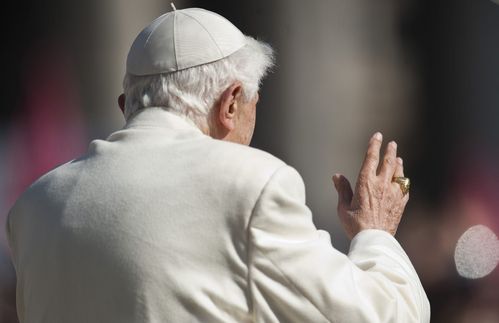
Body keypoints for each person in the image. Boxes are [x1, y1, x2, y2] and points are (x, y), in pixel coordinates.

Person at [6, 7, 430, 323]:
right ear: (229, 103)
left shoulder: (35, 205)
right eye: (252, 107)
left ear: (124, 106)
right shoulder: (250, 186)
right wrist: (375, 234)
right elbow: (386, 315)